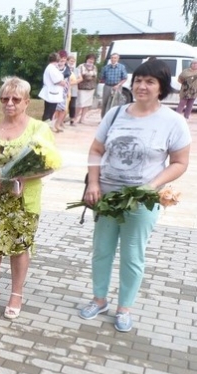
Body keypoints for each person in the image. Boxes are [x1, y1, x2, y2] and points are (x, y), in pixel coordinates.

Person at [78, 59, 190, 333]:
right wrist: (94, 183)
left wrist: (152, 186)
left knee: (132, 255)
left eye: (150, 81)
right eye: (138, 80)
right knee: (102, 251)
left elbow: (179, 162)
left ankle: (124, 308)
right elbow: (96, 150)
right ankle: (99, 300)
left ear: (162, 87)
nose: (142, 86)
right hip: (106, 197)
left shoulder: (173, 121)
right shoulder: (115, 114)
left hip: (142, 201)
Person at [0, 77, 61, 320]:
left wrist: (22, 176)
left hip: (22, 200)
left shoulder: (39, 129)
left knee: (19, 247)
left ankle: (16, 293)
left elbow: (50, 164)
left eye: (15, 99)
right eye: (4, 99)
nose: (9, 103)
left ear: (27, 102)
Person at [38, 52, 66, 124]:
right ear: (57, 59)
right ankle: (46, 125)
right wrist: (64, 83)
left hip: (52, 92)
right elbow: (57, 81)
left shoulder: (51, 67)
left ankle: (47, 125)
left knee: (49, 111)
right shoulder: (52, 68)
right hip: (52, 93)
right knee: (49, 111)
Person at [100, 53, 128, 117]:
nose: (113, 59)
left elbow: (125, 78)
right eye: (112, 58)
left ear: (118, 59)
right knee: (105, 103)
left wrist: (118, 85)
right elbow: (102, 77)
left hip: (117, 87)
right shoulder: (106, 67)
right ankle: (104, 118)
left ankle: (114, 117)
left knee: (116, 103)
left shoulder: (121, 67)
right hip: (107, 86)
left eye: (115, 58)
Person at [75, 54, 98, 124]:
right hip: (82, 87)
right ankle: (75, 118)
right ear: (87, 59)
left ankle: (82, 119)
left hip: (91, 87)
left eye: (92, 59)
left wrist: (90, 77)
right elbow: (77, 76)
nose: (91, 61)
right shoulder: (81, 66)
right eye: (90, 59)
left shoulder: (94, 67)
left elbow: (95, 76)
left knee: (87, 104)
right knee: (80, 103)